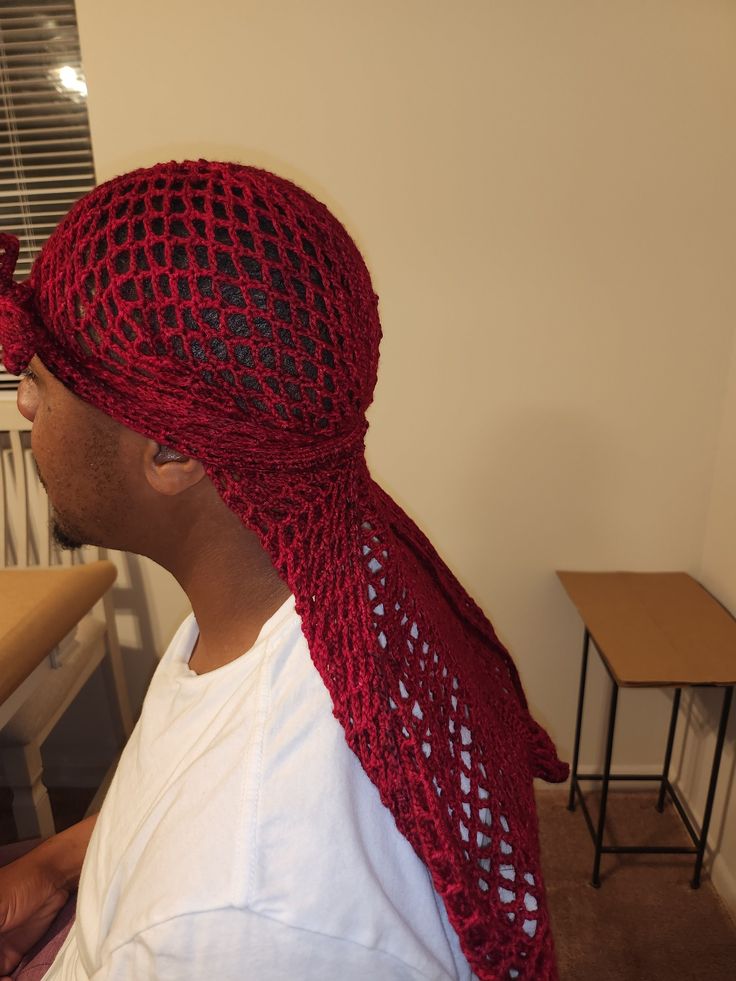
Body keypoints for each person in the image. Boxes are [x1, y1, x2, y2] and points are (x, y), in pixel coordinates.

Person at [0, 160, 568, 981]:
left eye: (44, 379)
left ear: (173, 449)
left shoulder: (246, 923)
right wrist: (60, 867)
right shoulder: (309, 579)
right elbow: (186, 799)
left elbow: (232, 875)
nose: (23, 402)